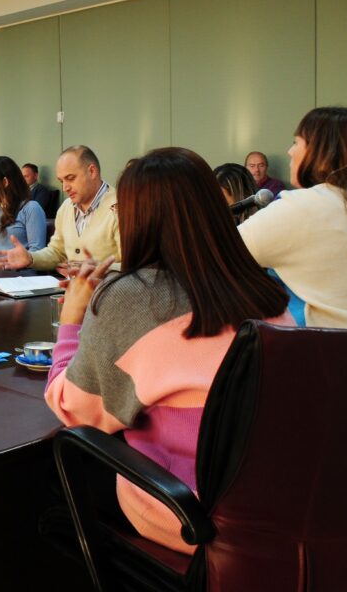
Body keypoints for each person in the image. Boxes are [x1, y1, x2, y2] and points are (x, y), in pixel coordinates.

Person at [45, 147, 292, 554]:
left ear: (138, 219)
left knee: (52, 474)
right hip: (278, 504)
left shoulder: (132, 297)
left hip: (192, 515)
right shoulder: (264, 290)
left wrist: (73, 316)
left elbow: (73, 409)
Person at [239, 107, 347, 328]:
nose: (290, 151)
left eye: (296, 142)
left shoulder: (297, 208)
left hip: (324, 349)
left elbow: (218, 255)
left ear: (322, 155)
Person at [0, 145, 121, 272]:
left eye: (70, 178)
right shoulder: (66, 207)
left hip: (108, 287)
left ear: (92, 171)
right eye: (61, 181)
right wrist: (30, 258)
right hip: (71, 286)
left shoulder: (121, 208)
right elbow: (57, 252)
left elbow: (132, 267)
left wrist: (94, 269)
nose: (65, 188)